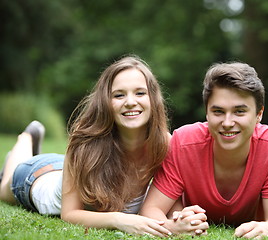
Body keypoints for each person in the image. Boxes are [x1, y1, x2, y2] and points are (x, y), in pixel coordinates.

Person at [0, 55, 176, 237]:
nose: (130, 101)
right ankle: (27, 138)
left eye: (140, 93)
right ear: (105, 102)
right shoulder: (84, 143)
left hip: (66, 171)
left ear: (153, 99)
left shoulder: (164, 144)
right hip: (36, 177)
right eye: (119, 95)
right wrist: (120, 220)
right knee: (4, 185)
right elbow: (69, 214)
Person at [140, 61, 268, 239]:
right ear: (207, 113)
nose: (227, 123)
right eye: (218, 111)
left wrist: (267, 228)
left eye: (240, 111)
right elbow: (151, 210)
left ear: (259, 114)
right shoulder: (183, 142)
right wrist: (172, 227)